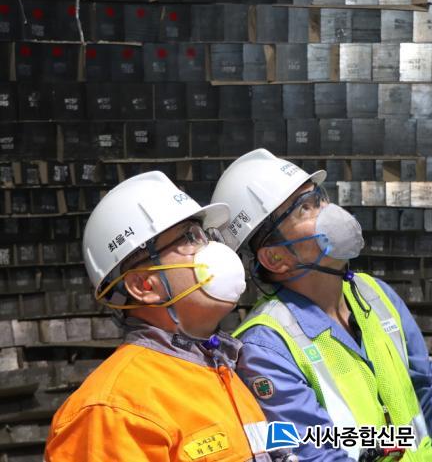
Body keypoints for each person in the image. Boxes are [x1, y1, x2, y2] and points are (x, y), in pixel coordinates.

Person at [211, 149, 432, 462]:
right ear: (275, 257)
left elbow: (430, 394)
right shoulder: (266, 349)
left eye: (320, 198)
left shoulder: (375, 294)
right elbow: (314, 453)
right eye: (304, 208)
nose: (328, 212)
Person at [45, 171, 280, 462]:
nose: (213, 249)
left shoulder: (221, 369)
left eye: (204, 235)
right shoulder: (113, 411)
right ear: (144, 285)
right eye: (189, 238)